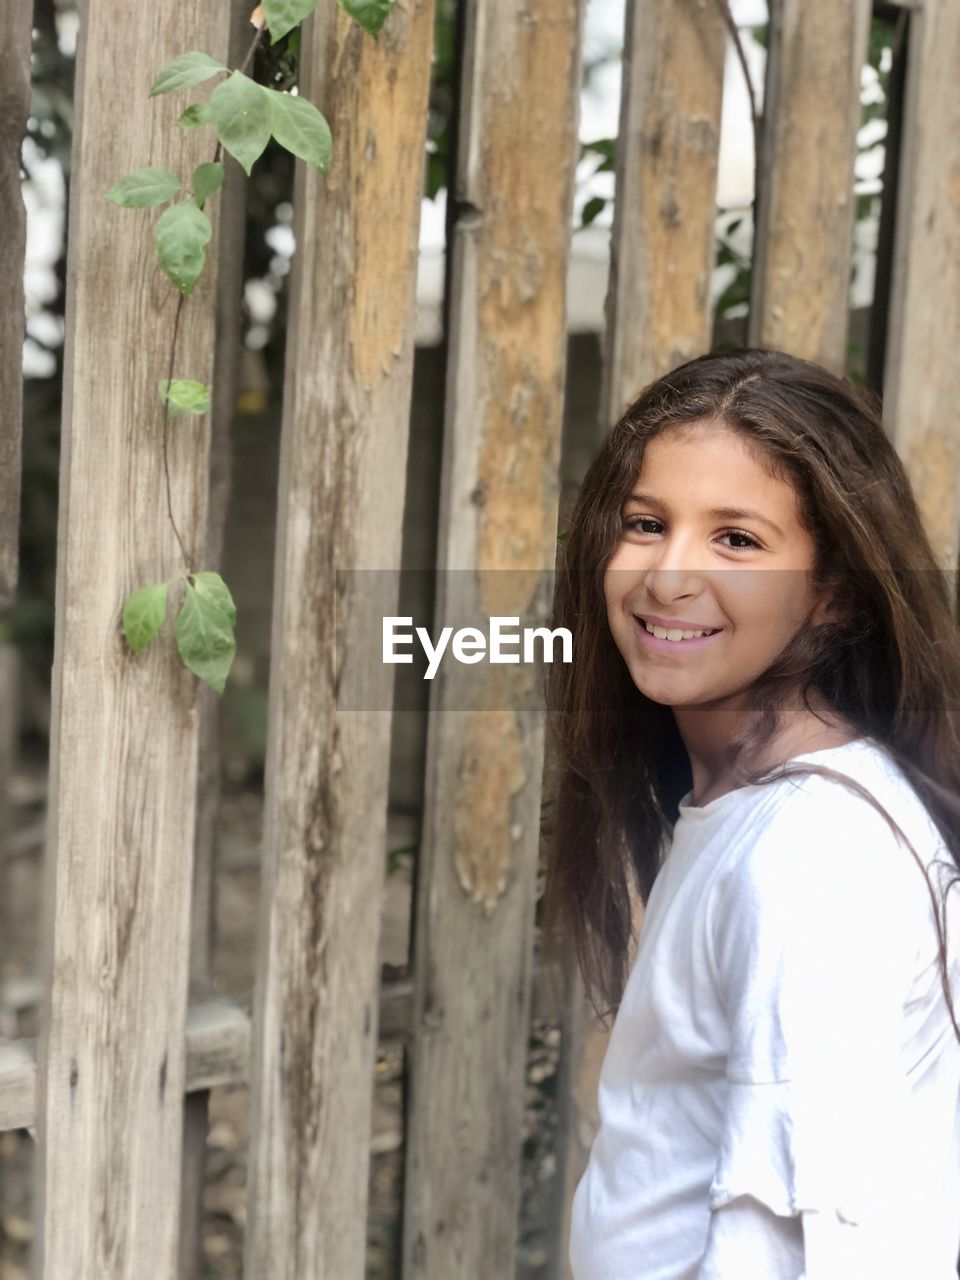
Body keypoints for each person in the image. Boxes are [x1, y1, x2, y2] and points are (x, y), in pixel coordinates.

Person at [543, 348, 960, 1279]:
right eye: (646, 524)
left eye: (738, 540)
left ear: (835, 597)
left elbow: (795, 1247)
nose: (669, 576)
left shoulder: (809, 861)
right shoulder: (752, 807)